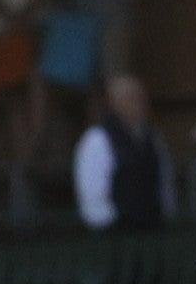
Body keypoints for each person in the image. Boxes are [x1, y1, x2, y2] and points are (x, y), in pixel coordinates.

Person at [72, 71, 170, 233]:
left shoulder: (154, 138)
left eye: (141, 97)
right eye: (132, 98)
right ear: (115, 103)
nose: (140, 103)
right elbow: (93, 195)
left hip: (152, 230)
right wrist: (110, 225)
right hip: (115, 234)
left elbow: (164, 184)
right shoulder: (98, 140)